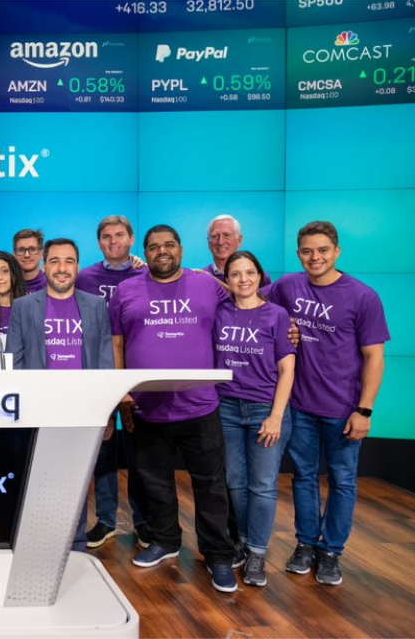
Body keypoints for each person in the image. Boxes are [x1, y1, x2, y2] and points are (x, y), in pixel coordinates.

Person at [110, 224, 238, 593]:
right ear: (145, 252)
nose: (161, 251)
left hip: (201, 405)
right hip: (147, 408)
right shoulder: (125, 290)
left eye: (169, 245)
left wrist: (286, 327)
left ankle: (217, 554)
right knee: (154, 481)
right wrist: (122, 393)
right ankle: (165, 540)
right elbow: (117, 345)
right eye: (153, 247)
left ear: (181, 249)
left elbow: (246, 306)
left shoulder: (207, 285)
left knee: (211, 485)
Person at [268, 221, 389, 586]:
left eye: (322, 250)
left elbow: (374, 357)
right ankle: (306, 544)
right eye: (307, 251)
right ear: (298, 253)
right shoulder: (287, 286)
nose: (314, 257)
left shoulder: (362, 296)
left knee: (342, 480)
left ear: (336, 251)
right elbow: (248, 298)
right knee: (303, 477)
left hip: (343, 409)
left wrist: (364, 409)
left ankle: (332, 551)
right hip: (300, 406)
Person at [6, 238, 113, 552]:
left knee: (76, 481)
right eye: (54, 261)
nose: (61, 268)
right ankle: (38, 543)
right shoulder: (24, 306)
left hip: (82, 408)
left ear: (77, 266)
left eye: (68, 261)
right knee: (39, 479)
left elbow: (105, 359)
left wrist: (106, 411)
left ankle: (75, 544)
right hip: (41, 408)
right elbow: (15, 361)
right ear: (44, 265)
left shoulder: (96, 305)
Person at [215, 250, 296, 587]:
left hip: (266, 409)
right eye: (235, 274)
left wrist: (277, 416)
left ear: (261, 277)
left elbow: (287, 368)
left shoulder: (277, 316)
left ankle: (257, 554)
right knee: (234, 482)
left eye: (250, 272)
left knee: (262, 486)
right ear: (227, 280)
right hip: (227, 408)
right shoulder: (219, 313)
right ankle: (246, 542)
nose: (243, 279)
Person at [76, 215, 150, 550]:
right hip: (95, 371)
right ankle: (105, 519)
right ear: (99, 242)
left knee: (141, 450)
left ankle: (144, 521)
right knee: (103, 447)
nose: (113, 242)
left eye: (119, 235)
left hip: (136, 369)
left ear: (131, 238)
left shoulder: (147, 272)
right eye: (106, 237)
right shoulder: (85, 277)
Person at [203, 214, 271, 285]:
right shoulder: (200, 278)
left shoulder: (258, 278)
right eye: (215, 236)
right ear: (208, 242)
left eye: (226, 235)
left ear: (239, 240)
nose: (221, 242)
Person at [12, 229, 47, 293]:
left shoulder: (51, 284)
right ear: (14, 255)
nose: (27, 255)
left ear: (42, 254)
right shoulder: (7, 285)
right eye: (21, 250)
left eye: (32, 249)